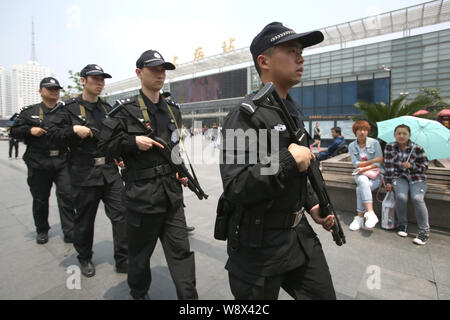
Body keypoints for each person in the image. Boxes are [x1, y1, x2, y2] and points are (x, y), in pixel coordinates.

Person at [219, 22, 336, 300]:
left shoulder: (292, 111)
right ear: (264, 61)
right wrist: (286, 159)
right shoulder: (245, 115)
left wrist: (313, 204)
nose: (301, 58)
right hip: (258, 245)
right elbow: (236, 185)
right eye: (292, 51)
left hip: (299, 238)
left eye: (301, 52)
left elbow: (302, 170)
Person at [99, 50, 198, 300]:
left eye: (163, 70)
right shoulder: (124, 110)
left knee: (182, 253)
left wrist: (180, 173)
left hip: (171, 195)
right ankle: (139, 293)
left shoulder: (173, 109)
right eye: (154, 69)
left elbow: (175, 147)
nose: (160, 74)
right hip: (142, 196)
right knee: (140, 255)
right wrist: (132, 142)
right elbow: (103, 145)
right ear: (138, 73)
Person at [47, 65, 128, 277]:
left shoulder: (108, 109)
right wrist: (73, 130)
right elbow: (52, 134)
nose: (100, 83)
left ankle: (123, 258)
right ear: (83, 81)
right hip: (84, 173)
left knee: (121, 215)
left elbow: (116, 138)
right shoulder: (69, 108)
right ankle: (84, 257)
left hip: (109, 171)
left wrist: (120, 157)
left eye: (102, 79)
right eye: (95, 79)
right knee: (84, 220)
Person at [10, 77, 75, 244]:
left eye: (56, 89)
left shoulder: (66, 112)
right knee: (40, 198)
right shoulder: (29, 111)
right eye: (50, 88)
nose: (54, 91)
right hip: (38, 161)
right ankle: (42, 229)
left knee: (67, 196)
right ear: (41, 91)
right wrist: (30, 130)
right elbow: (14, 130)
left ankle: (70, 231)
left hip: (61, 160)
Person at [384, 124, 430, 245]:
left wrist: (412, 166)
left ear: (409, 135)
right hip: (400, 178)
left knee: (417, 198)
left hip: (417, 178)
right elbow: (388, 166)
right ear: (395, 135)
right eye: (399, 133)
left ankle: (424, 232)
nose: (401, 136)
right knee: (401, 197)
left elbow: (425, 166)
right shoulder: (390, 147)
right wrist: (388, 182)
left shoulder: (417, 148)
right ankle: (402, 225)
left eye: (404, 133)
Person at [348, 120, 384, 231]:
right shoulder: (352, 146)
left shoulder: (374, 143)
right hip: (360, 174)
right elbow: (356, 163)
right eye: (359, 130)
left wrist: (365, 167)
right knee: (363, 180)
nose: (362, 132)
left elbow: (379, 162)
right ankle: (370, 213)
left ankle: (359, 217)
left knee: (360, 188)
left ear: (368, 131)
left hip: (375, 175)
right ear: (355, 132)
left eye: (364, 130)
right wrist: (372, 162)